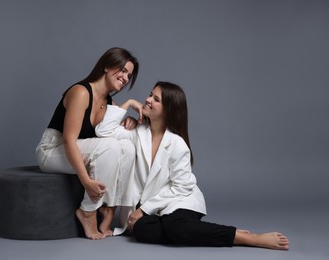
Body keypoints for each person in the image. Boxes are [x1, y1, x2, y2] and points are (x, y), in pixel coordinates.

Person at [95, 81, 290, 250]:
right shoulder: (137, 132)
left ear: (168, 110)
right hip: (154, 206)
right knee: (143, 231)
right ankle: (181, 228)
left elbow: (181, 187)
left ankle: (246, 237)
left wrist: (144, 210)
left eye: (156, 99)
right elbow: (103, 131)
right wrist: (127, 104)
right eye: (149, 95)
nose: (147, 100)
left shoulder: (177, 144)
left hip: (180, 199)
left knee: (176, 228)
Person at [35, 47, 139, 240]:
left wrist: (129, 119)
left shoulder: (108, 103)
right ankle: (88, 211)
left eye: (129, 75)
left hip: (77, 150)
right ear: (107, 66)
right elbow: (68, 140)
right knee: (111, 146)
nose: (125, 78)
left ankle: (109, 209)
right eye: (122, 70)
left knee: (127, 147)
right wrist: (86, 181)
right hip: (52, 150)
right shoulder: (81, 92)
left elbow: (114, 133)